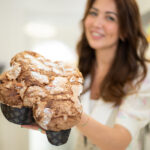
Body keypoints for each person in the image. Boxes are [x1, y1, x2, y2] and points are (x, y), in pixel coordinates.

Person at [22, 0, 150, 149]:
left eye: (110, 18)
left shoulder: (142, 76)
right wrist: (51, 122)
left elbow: (119, 142)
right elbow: (79, 131)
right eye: (93, 13)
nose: (96, 23)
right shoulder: (77, 70)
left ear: (124, 30)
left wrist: (72, 114)